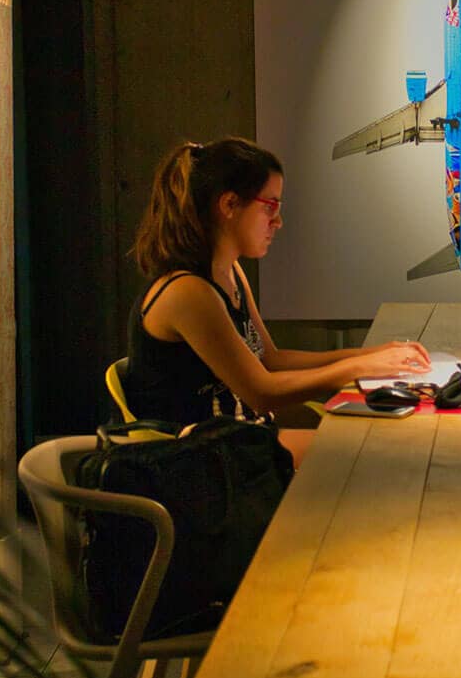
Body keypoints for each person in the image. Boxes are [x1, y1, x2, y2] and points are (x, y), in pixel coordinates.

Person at [123, 137, 431, 448]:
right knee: (369, 453)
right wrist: (357, 368)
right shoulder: (187, 292)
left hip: (240, 440)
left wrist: (370, 355)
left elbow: (271, 360)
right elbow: (261, 392)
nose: (278, 221)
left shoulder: (230, 272)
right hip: (199, 459)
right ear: (229, 205)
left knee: (378, 445)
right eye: (270, 206)